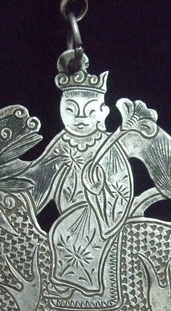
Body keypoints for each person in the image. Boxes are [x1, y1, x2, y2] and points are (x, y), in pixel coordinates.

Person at [23, 69, 133, 297]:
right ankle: (65, 284)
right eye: (71, 110)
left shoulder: (108, 145)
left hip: (97, 213)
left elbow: (121, 186)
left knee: (64, 233)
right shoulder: (63, 141)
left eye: (90, 111)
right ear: (61, 110)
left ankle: (83, 286)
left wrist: (97, 192)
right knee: (58, 231)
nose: (81, 118)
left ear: (102, 113)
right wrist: (17, 190)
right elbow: (41, 173)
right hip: (68, 209)